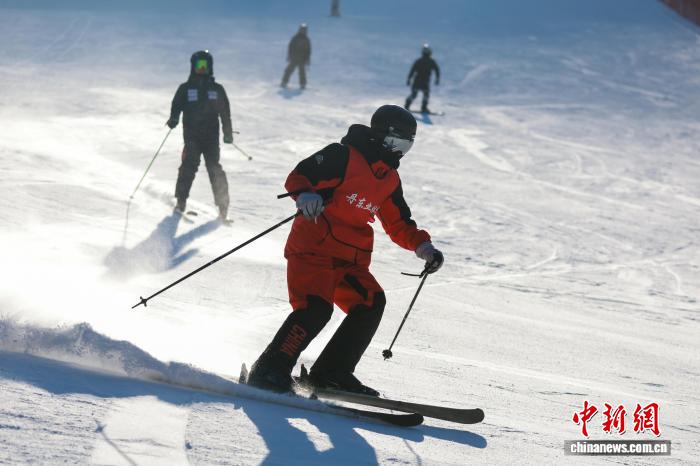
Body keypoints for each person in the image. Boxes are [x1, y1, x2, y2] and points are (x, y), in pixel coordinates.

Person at [247, 105, 444, 395]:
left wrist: (424, 247)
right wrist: (306, 195)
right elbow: (299, 175)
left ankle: (331, 373)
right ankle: (269, 370)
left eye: (406, 146)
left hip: (350, 260)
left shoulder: (388, 179)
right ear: (380, 136)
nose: (399, 152)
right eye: (396, 143)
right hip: (313, 250)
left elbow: (399, 223)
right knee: (315, 309)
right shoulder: (342, 156)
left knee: (370, 303)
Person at [167, 50, 233, 221]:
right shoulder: (186, 88)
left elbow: (225, 112)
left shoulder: (217, 89)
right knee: (188, 166)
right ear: (193, 67)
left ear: (210, 67)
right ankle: (181, 201)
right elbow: (176, 105)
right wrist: (174, 118)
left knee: (214, 168)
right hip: (192, 136)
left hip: (211, 138)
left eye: (205, 65)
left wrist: (227, 132)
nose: (202, 69)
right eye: (199, 65)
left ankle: (223, 207)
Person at [405, 44, 441, 114]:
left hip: (418, 81)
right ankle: (423, 108)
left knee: (415, 94)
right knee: (425, 94)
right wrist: (437, 79)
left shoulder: (419, 61)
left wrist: (409, 79)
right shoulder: (431, 61)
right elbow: (437, 70)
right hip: (424, 82)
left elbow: (412, 71)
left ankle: (407, 105)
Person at [281, 24, 311, 89]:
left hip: (302, 59)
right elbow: (290, 47)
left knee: (302, 72)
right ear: (299, 30)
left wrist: (307, 59)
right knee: (289, 70)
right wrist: (289, 55)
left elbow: (308, 50)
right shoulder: (295, 38)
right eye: (302, 30)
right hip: (294, 58)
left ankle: (302, 84)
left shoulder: (306, 39)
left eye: (304, 30)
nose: (303, 31)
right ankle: (284, 82)